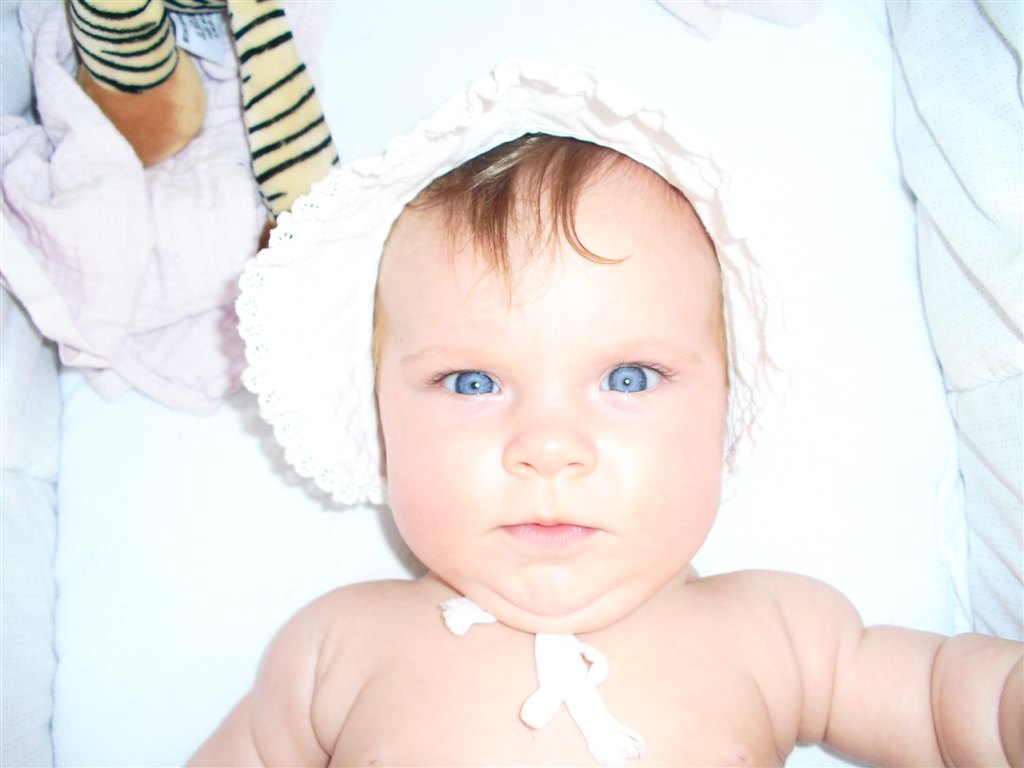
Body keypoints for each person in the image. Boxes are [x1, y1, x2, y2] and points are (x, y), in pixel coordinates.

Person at [190, 134, 1022, 767]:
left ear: (728, 408)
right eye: (472, 383)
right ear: (375, 419)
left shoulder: (777, 632)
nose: (549, 448)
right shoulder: (337, 647)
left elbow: (952, 706)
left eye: (628, 378)